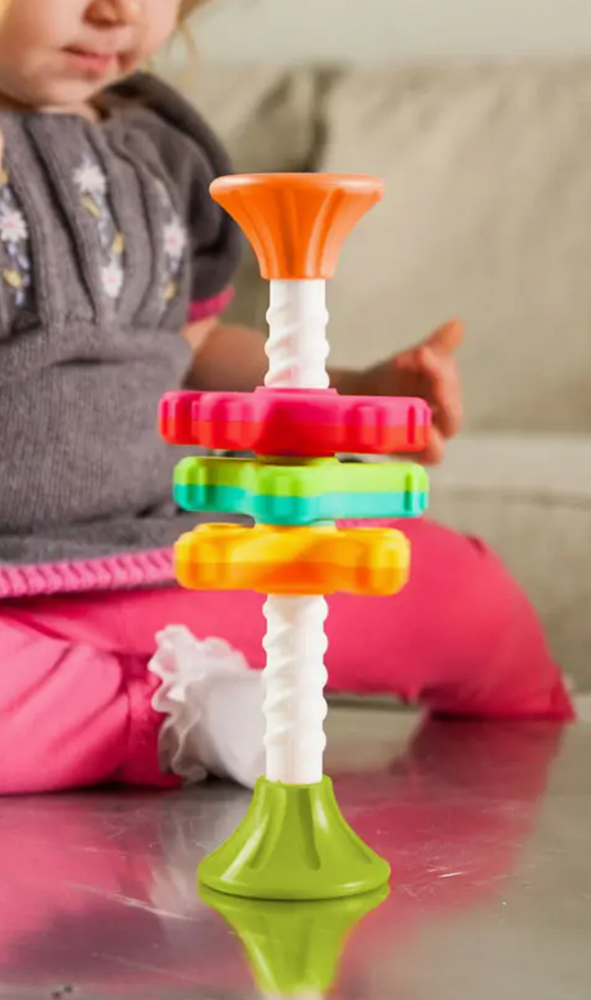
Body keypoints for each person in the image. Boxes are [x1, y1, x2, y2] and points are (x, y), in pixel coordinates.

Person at [0, 0, 573, 796]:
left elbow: (194, 346)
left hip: (173, 555)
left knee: (464, 597)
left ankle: (536, 753)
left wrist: (350, 394)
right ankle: (164, 712)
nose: (116, 12)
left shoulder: (161, 151)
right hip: (14, 592)